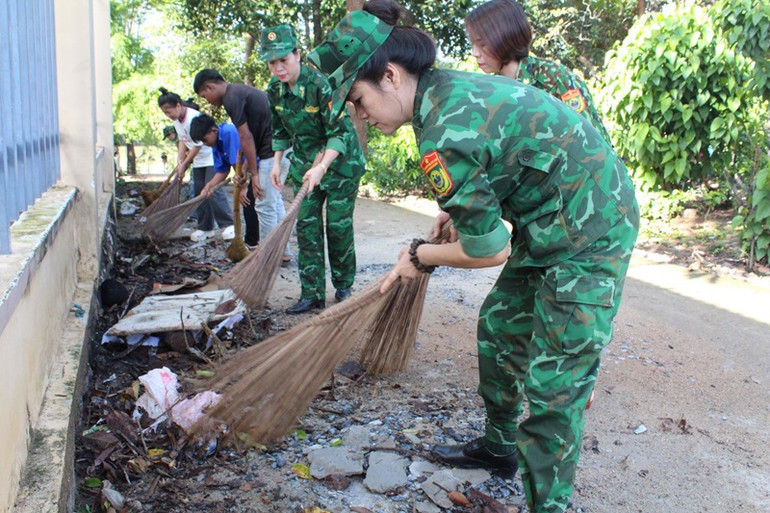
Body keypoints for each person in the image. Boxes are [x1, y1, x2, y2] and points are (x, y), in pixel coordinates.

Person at [307, 2, 639, 512]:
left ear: (390, 76)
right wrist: (455, 218)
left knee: (554, 384)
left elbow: (490, 250)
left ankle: (547, 506)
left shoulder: (444, 130)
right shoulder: (441, 95)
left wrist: (421, 257)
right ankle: (500, 446)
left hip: (592, 229)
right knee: (500, 326)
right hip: (548, 219)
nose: (359, 115)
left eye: (357, 98)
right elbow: (494, 175)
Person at [260, 24, 366, 314]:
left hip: (341, 164)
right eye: (272, 62)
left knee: (337, 225)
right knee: (306, 225)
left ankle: (343, 285)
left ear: (297, 54)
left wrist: (322, 167)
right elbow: (280, 129)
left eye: (284, 60)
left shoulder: (321, 85)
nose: (279, 68)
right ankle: (312, 294)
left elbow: (340, 132)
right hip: (306, 162)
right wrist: (277, 162)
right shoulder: (274, 89)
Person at [465, 0, 612, 145]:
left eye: (482, 44)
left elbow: (594, 142)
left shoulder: (554, 78)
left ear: (504, 37)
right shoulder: (493, 93)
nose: (475, 53)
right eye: (472, 44)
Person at [192, 68, 290, 259]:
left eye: (205, 96)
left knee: (264, 205)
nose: (208, 101)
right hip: (278, 148)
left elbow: (245, 137)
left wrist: (253, 174)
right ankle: (282, 252)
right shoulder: (237, 92)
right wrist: (243, 171)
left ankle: (268, 257)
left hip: (273, 151)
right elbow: (248, 141)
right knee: (274, 202)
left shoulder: (231, 97)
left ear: (210, 87)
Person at [157, 88, 232, 240]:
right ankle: (205, 227)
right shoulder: (177, 121)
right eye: (165, 113)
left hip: (210, 157)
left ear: (178, 105)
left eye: (169, 111)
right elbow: (183, 141)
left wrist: (185, 164)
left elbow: (197, 145)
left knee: (213, 190)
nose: (168, 115)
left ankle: (229, 225)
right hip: (198, 161)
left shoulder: (193, 118)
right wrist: (179, 160)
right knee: (199, 192)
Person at [189, 114, 256, 242]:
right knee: (249, 207)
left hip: (257, 166)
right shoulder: (215, 144)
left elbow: (237, 164)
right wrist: (208, 186)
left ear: (214, 131)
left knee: (253, 204)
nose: (205, 144)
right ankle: (252, 242)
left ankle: (256, 242)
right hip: (245, 171)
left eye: (205, 140)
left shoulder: (228, 133)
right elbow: (223, 170)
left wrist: (243, 187)